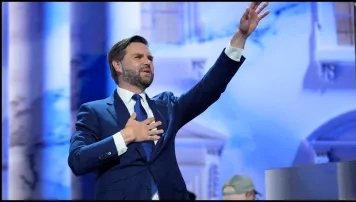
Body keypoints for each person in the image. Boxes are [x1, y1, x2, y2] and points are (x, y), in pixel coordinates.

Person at [68, 2, 270, 200]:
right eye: (138, 57)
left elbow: (208, 89)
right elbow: (78, 161)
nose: (147, 61)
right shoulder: (94, 111)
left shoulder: (166, 106)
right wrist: (125, 136)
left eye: (150, 57)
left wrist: (240, 37)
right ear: (117, 66)